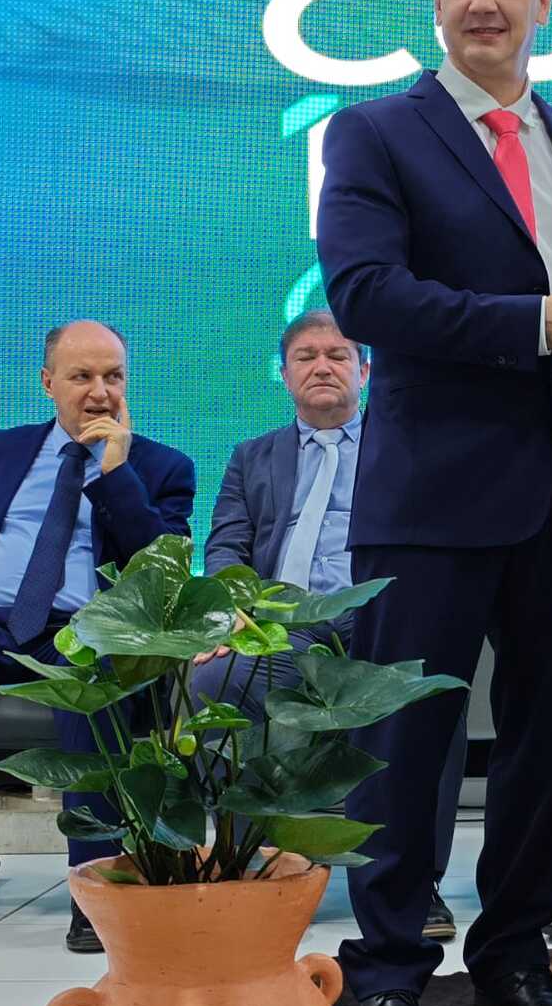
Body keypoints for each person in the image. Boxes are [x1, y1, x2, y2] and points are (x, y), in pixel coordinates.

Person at [317, 0, 552, 1006]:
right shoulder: (373, 132)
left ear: (544, 2)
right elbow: (365, 295)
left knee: (543, 750)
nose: (484, 3)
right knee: (408, 747)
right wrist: (537, 324)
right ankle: (387, 972)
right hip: (432, 497)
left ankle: (513, 957)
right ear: (437, 0)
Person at [193, 308, 465, 938]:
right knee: (211, 687)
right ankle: (252, 863)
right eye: (306, 356)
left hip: (380, 620)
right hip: (281, 627)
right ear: (284, 374)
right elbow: (227, 545)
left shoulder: (405, 445)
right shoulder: (252, 456)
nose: (323, 366)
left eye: (338, 355)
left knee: (432, 696)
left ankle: (415, 883)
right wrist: (231, 608)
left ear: (365, 372)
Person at [0, 321, 195, 949]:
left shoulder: (163, 467)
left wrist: (116, 472)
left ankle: (95, 896)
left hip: (82, 632)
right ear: (48, 383)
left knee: (97, 697)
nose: (100, 392)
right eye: (82, 376)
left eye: (113, 377)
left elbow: (160, 573)